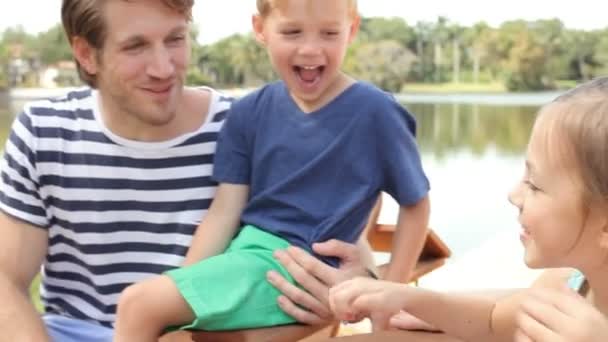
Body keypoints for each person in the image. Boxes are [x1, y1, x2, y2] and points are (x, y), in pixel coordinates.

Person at [0, 0, 370, 341]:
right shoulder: (44, 131)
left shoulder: (252, 129)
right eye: (135, 46)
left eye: (175, 39)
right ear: (86, 54)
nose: (163, 68)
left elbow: (346, 243)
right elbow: (7, 281)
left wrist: (359, 279)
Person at [113, 0, 430, 340]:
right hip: (247, 257)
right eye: (292, 32)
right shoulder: (249, 112)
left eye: (329, 33)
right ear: (260, 30)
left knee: (137, 304)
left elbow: (416, 206)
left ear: (351, 30)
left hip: (298, 263)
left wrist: (391, 297)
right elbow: (224, 211)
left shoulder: (376, 112)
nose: (310, 49)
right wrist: (185, 282)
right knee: (175, 326)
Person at [326, 77, 608, 342]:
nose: (513, 195)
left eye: (534, 185)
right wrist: (409, 299)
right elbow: (491, 320)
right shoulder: (568, 287)